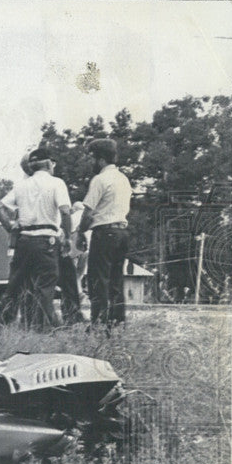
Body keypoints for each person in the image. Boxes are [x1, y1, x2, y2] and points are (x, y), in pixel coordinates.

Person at [0, 146, 71, 330]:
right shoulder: (57, 183)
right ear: (49, 163)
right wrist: (66, 238)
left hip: (24, 241)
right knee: (45, 287)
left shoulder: (21, 185)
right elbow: (65, 212)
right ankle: (48, 328)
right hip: (46, 240)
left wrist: (10, 227)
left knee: (14, 287)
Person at [79, 138, 132, 327]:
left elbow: (88, 212)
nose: (91, 162)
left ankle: (99, 323)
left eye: (92, 158)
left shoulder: (100, 179)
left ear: (100, 159)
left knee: (98, 280)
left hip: (104, 233)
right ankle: (117, 323)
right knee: (116, 281)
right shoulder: (123, 179)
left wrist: (80, 232)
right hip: (122, 232)